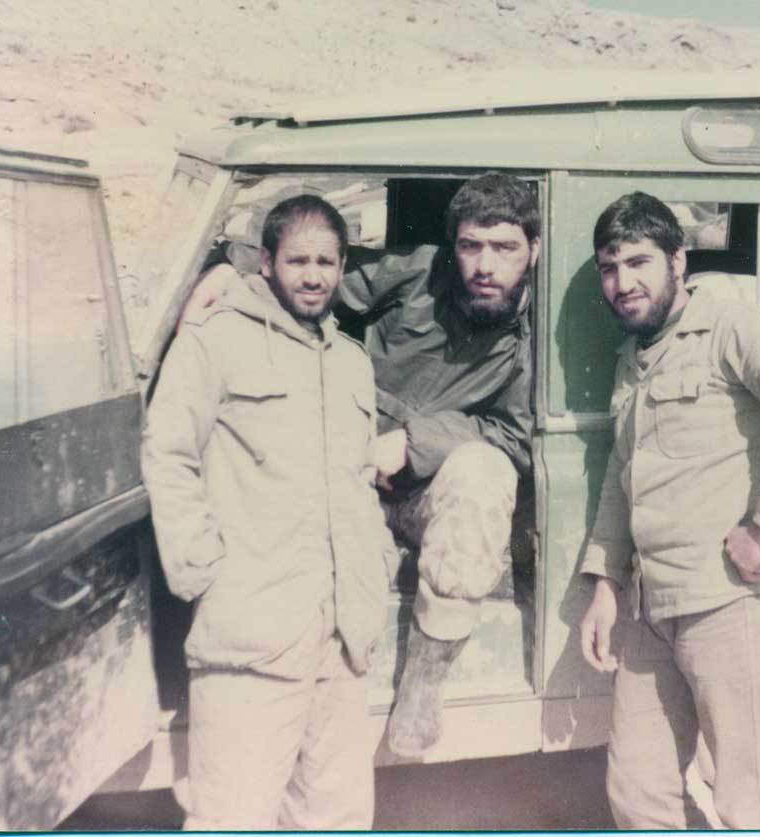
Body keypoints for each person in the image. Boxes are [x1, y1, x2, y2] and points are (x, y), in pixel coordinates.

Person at [188, 173, 539, 758]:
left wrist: (414, 442)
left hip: (430, 495)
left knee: (485, 473)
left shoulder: (533, 336)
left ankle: (426, 677)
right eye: (471, 246)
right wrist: (236, 267)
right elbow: (316, 278)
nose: (484, 266)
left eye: (504, 248)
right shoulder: (417, 271)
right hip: (351, 474)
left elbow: (514, 435)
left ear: (533, 250)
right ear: (452, 246)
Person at [577, 192, 760, 829]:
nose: (623, 283)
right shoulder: (634, 356)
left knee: (753, 803)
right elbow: (623, 476)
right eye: (609, 268)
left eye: (639, 262)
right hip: (653, 611)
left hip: (731, 607)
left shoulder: (731, 329)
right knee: (637, 792)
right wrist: (605, 584)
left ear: (678, 261)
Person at [141, 194, 391, 829]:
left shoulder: (351, 362)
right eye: (298, 261)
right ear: (267, 262)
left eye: (326, 262)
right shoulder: (215, 342)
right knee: (233, 815)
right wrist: (204, 571)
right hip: (251, 633)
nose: (313, 277)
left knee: (335, 817)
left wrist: (375, 568)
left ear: (343, 267)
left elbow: (360, 482)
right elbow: (168, 453)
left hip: (341, 639)